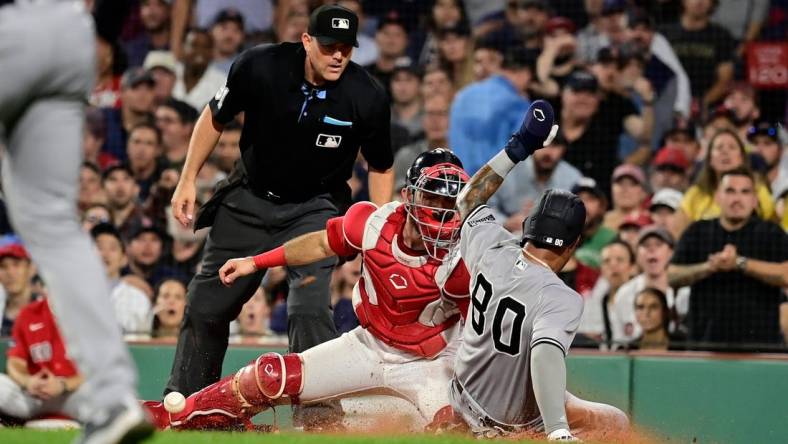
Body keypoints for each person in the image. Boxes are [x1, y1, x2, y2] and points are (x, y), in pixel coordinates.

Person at [164, 5, 394, 428]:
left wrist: (375, 231)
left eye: (345, 48)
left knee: (308, 308)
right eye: (328, 46)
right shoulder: (260, 65)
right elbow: (214, 118)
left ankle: (320, 417)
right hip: (248, 199)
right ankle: (193, 408)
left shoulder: (368, 95)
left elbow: (380, 165)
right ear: (307, 41)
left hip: (315, 208)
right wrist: (187, 180)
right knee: (206, 304)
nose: (337, 56)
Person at [144, 149, 471, 431]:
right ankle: (176, 416)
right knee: (269, 375)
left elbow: (478, 334)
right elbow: (318, 243)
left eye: (449, 200)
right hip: (368, 346)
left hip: (430, 365)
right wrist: (256, 262)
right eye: (432, 197)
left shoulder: (463, 259)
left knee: (452, 429)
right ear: (409, 195)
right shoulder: (371, 223)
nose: (441, 209)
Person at [0, 1, 150, 441]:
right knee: (55, 227)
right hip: (70, 35)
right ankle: (113, 399)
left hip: (10, 31)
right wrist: (100, 28)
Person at [446, 100, 629, 440]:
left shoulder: (492, 246)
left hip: (460, 396)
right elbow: (545, 356)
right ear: (572, 246)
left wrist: (520, 147)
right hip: (504, 425)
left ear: (528, 224)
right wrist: (558, 430)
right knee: (614, 422)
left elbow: (468, 199)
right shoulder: (561, 297)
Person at [669, 167, 788, 348]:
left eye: (745, 192)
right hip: (704, 345)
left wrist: (741, 263)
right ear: (717, 197)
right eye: (730, 191)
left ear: (755, 200)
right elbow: (672, 276)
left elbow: (786, 275)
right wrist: (708, 267)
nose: (737, 199)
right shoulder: (698, 231)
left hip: (760, 348)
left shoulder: (771, 233)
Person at [449, 47, 535, 174]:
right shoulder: (516, 102)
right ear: (525, 73)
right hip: (493, 186)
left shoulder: (462, 95)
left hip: (457, 181)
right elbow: (528, 149)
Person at [0, 297, 83, 423]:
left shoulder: (89, 315)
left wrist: (63, 385)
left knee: (105, 392)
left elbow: (100, 369)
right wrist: (28, 381)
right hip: (35, 397)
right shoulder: (29, 313)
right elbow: (15, 362)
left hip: (74, 397)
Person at [488, 132, 582, 232]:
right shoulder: (509, 169)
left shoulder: (573, 178)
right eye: (543, 145)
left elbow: (577, 218)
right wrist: (505, 222)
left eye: (555, 146)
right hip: (504, 234)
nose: (548, 152)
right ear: (533, 145)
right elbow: (484, 206)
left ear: (564, 149)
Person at [91, 224, 152, 336]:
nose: (105, 254)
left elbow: (143, 343)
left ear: (124, 259)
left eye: (113, 248)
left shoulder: (138, 299)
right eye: (99, 247)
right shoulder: (73, 296)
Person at [172, 28, 226, 111]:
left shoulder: (222, 81)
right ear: (183, 47)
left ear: (212, 51)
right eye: (193, 45)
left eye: (206, 47)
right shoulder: (171, 71)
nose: (200, 51)